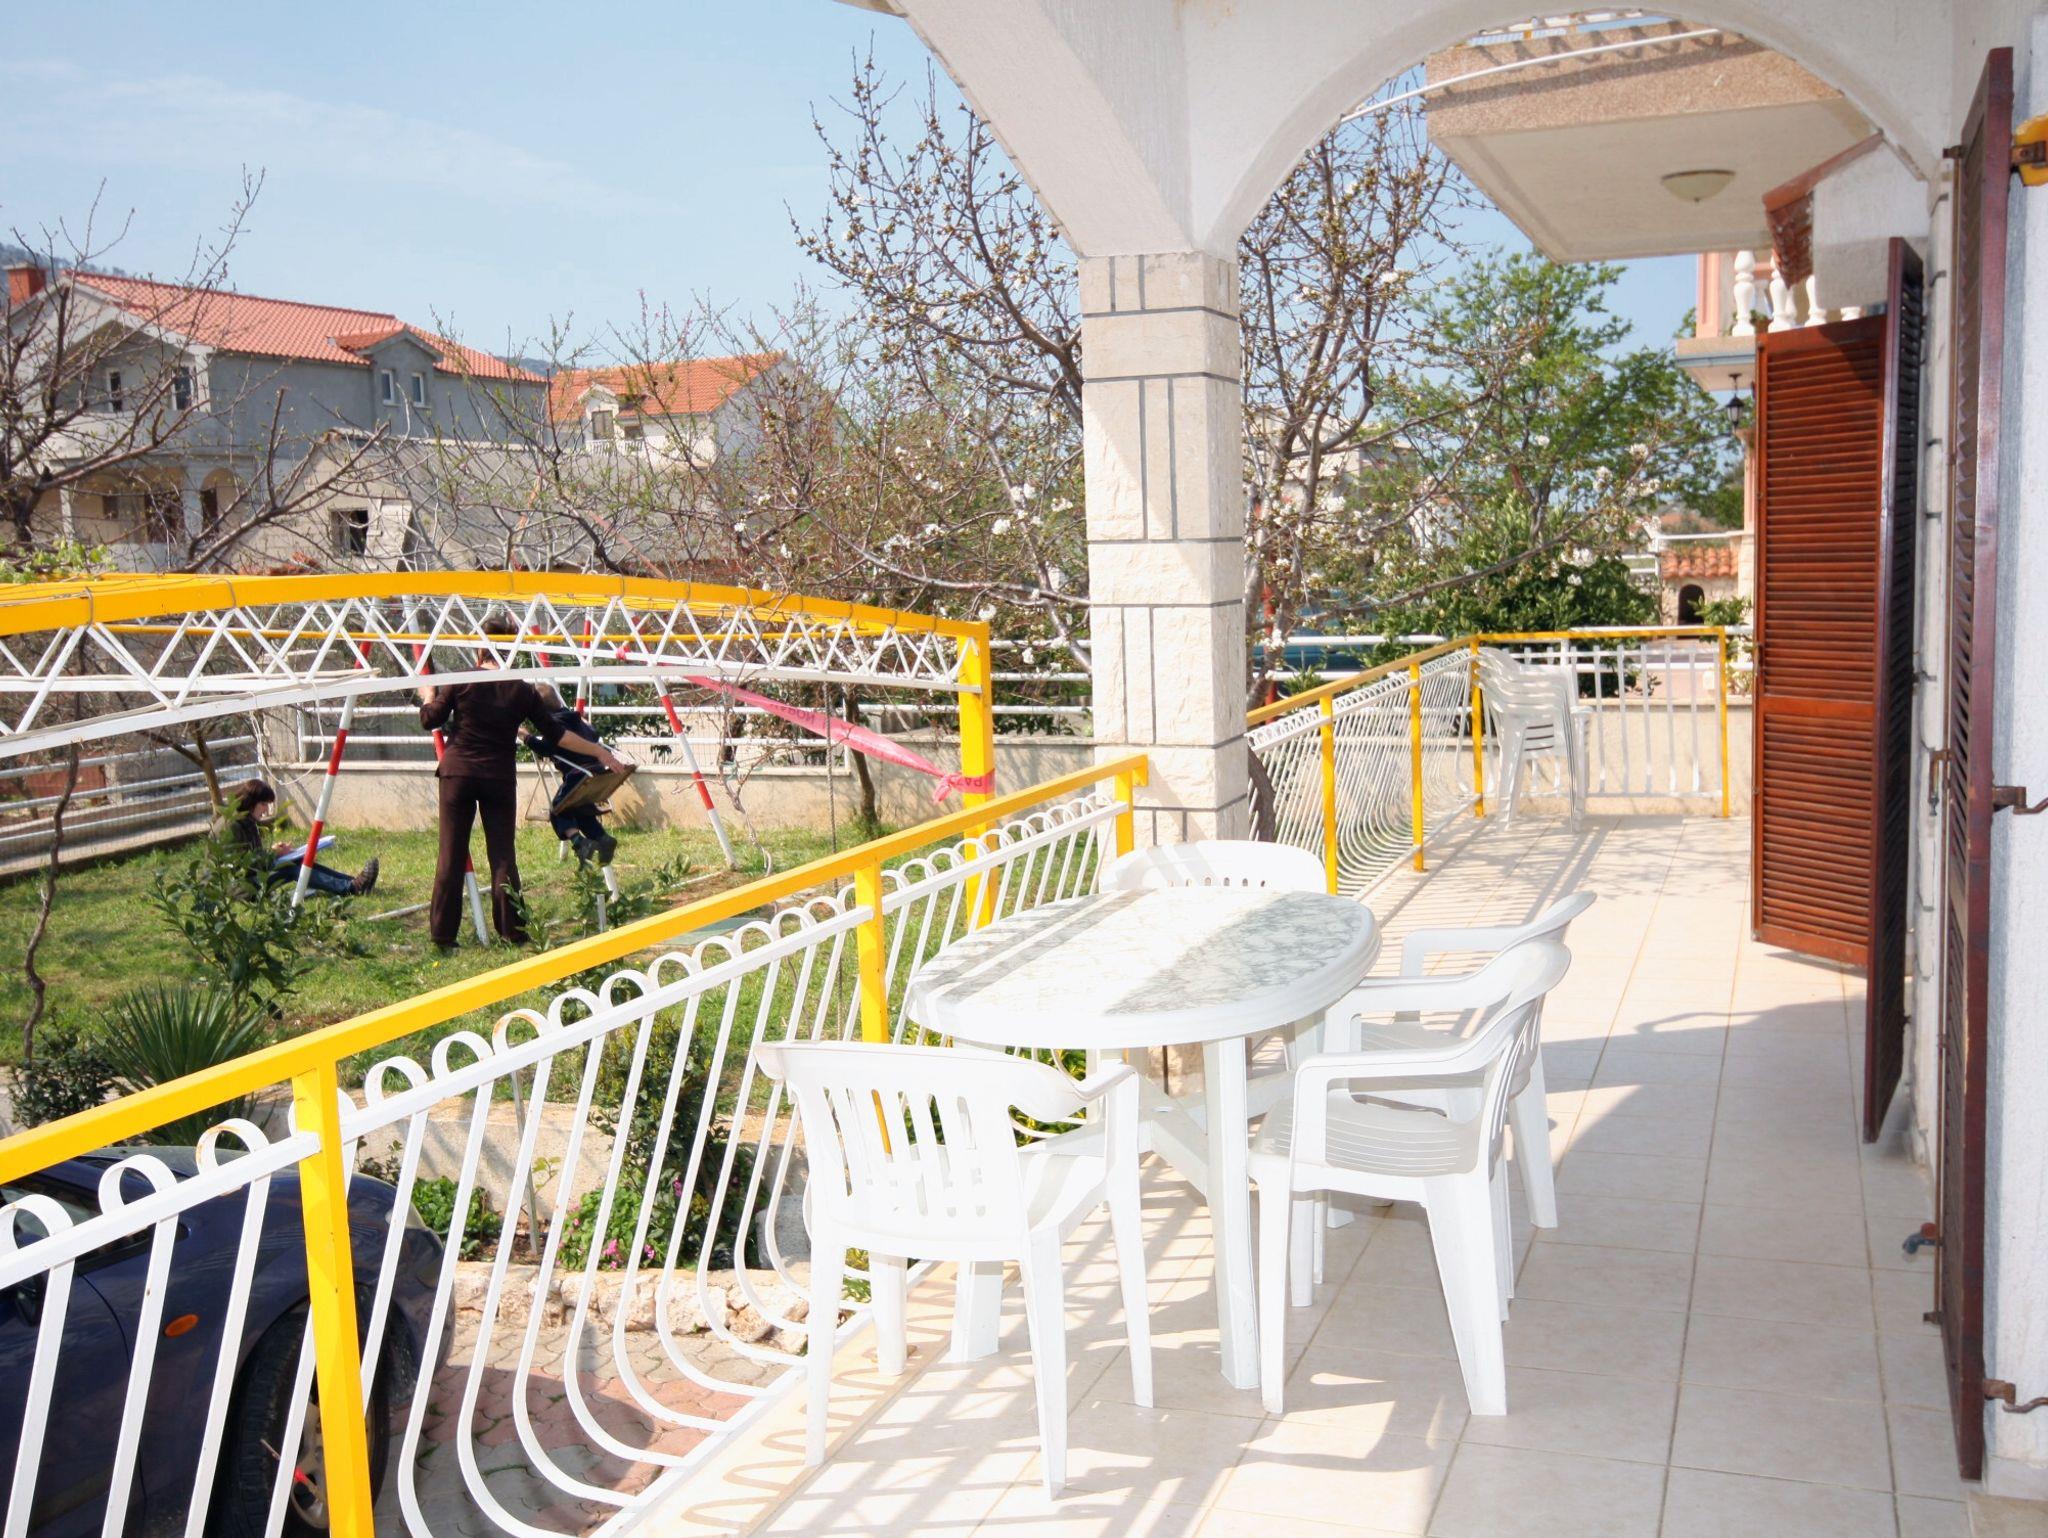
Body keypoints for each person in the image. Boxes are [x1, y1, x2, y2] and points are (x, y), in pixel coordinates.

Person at [417, 619, 626, 948]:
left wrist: (428, 695)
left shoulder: (461, 679)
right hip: (498, 777)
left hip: (458, 773)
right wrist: (598, 750)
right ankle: (512, 932)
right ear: (511, 648)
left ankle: (443, 936)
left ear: (480, 648)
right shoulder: (522, 690)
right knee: (503, 856)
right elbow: (558, 735)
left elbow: (430, 719)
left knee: (451, 854)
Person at [221, 779, 380, 896]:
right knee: (291, 868)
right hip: (240, 887)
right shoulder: (233, 826)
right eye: (263, 804)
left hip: (248, 879)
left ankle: (353, 882)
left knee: (301, 861)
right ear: (251, 802)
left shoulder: (246, 820)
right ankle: (351, 887)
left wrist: (275, 852)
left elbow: (252, 856)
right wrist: (274, 854)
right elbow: (244, 867)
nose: (266, 810)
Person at [525, 681, 619, 866]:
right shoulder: (576, 719)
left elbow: (546, 749)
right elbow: (594, 734)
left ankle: (579, 842)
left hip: (578, 775)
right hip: (596, 772)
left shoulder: (555, 725)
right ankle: (602, 838)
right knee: (580, 810)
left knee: (559, 810)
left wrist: (526, 737)